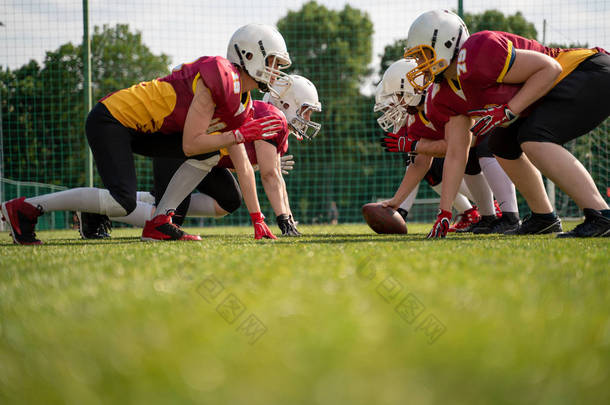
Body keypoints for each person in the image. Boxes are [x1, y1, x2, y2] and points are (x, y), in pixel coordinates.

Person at [1, 23, 289, 244]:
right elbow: (191, 144)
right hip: (113, 118)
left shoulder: (243, 102)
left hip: (146, 129)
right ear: (249, 55)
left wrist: (257, 219)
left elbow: (238, 161)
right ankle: (24, 208)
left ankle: (159, 221)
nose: (276, 71)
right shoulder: (221, 77)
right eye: (274, 62)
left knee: (211, 154)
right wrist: (238, 135)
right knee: (121, 201)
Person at [404, 9, 610, 238]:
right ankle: (544, 218)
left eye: (423, 54)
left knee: (534, 137)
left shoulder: (477, 51)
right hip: (552, 92)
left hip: (586, 71)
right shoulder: (443, 95)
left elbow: (550, 68)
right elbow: (455, 153)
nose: (419, 63)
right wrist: (444, 212)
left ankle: (601, 215)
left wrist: (509, 111)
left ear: (446, 42)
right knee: (502, 144)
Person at [79, 75, 322, 238]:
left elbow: (268, 174)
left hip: (206, 157)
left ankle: (133, 204)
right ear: (287, 103)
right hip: (184, 149)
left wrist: (288, 218)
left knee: (229, 200)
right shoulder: (271, 117)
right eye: (306, 111)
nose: (307, 119)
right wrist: (280, 221)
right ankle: (98, 209)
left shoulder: (269, 119)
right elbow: (269, 176)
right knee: (168, 218)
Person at [375, 58, 513, 234]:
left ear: (412, 88)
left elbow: (453, 146)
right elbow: (420, 164)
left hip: (491, 128)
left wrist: (415, 144)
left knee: (484, 152)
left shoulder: (438, 100)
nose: (397, 103)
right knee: (467, 163)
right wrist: (396, 201)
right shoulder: (415, 121)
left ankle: (510, 215)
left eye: (399, 95)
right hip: (469, 145)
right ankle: (487, 217)